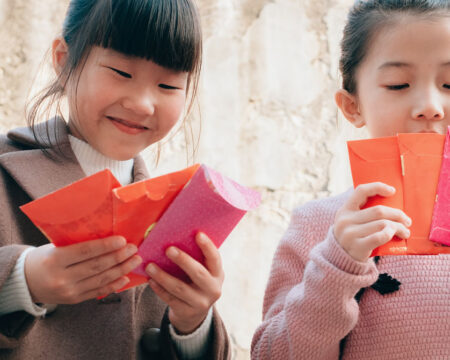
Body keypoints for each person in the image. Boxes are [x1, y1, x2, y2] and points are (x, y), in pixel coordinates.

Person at [0, 1, 230, 359]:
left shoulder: (173, 209)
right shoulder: (5, 169)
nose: (142, 104)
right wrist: (23, 280)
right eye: (121, 73)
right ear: (64, 60)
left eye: (168, 86)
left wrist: (194, 324)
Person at [251, 0, 450, 359]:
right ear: (352, 106)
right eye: (398, 84)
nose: (430, 105)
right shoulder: (318, 228)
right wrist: (337, 264)